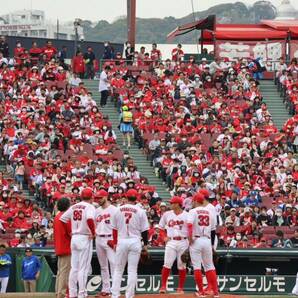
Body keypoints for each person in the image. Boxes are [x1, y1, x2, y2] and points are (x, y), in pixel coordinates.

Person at [111, 188, 149, 298]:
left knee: (118, 269)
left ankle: (115, 295)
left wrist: (114, 243)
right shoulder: (140, 210)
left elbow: (114, 228)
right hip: (135, 241)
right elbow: (145, 231)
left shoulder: (118, 209)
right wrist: (145, 245)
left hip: (122, 240)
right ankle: (129, 295)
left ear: (126, 197)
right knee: (132, 270)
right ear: (136, 197)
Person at [60, 188, 96, 298]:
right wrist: (93, 232)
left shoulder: (74, 206)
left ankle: (72, 293)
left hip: (75, 238)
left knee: (74, 267)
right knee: (83, 268)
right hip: (84, 237)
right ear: (91, 197)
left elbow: (62, 219)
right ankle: (82, 293)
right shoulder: (90, 206)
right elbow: (90, 219)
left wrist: (71, 231)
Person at [188, 192, 219, 298]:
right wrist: (211, 245)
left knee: (197, 267)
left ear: (196, 201)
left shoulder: (192, 211)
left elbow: (189, 225)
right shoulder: (210, 212)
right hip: (207, 240)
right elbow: (214, 230)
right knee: (210, 266)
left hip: (196, 239)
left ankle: (201, 292)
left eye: (193, 200)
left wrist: (189, 239)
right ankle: (216, 292)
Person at [158, 196, 189, 294]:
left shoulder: (187, 215)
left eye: (172, 203)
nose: (170, 204)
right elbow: (161, 228)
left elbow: (191, 229)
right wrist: (164, 237)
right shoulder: (167, 214)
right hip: (171, 241)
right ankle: (163, 287)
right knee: (167, 264)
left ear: (177, 204)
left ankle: (180, 288)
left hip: (183, 241)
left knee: (182, 265)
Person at [95, 189, 118, 296]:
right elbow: (94, 225)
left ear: (106, 197)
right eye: (97, 198)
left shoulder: (114, 210)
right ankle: (106, 288)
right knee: (103, 265)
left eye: (100, 198)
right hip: (99, 238)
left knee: (113, 264)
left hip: (110, 239)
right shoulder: (97, 210)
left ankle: (114, 289)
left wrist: (116, 240)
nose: (98, 200)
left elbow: (119, 226)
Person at [54, 198, 71, 298]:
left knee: (61, 271)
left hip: (59, 246)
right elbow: (70, 233)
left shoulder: (57, 216)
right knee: (65, 271)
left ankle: (58, 291)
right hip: (66, 246)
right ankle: (61, 293)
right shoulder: (65, 216)